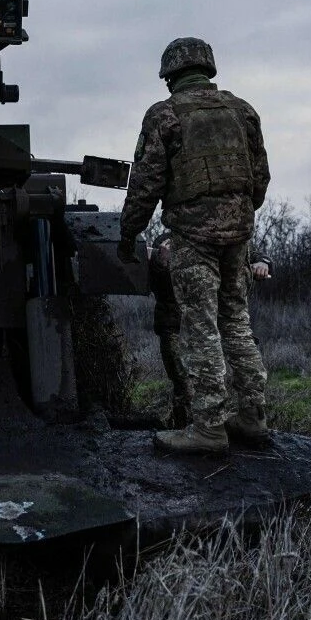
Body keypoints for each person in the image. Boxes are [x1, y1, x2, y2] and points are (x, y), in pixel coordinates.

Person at [117, 37, 271, 454]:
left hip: (192, 238)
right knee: (236, 321)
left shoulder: (165, 114)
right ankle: (253, 417)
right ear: (208, 68)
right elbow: (261, 177)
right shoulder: (242, 110)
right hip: (238, 234)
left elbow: (146, 184)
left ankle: (207, 428)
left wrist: (128, 234)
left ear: (170, 75)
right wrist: (237, 213)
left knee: (199, 326)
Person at [148, 232, 272, 428]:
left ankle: (217, 428)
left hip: (214, 328)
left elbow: (253, 255)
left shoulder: (218, 237)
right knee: (186, 386)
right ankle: (187, 428)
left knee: (215, 381)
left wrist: (263, 263)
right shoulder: (165, 241)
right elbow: (157, 287)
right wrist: (162, 265)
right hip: (176, 327)